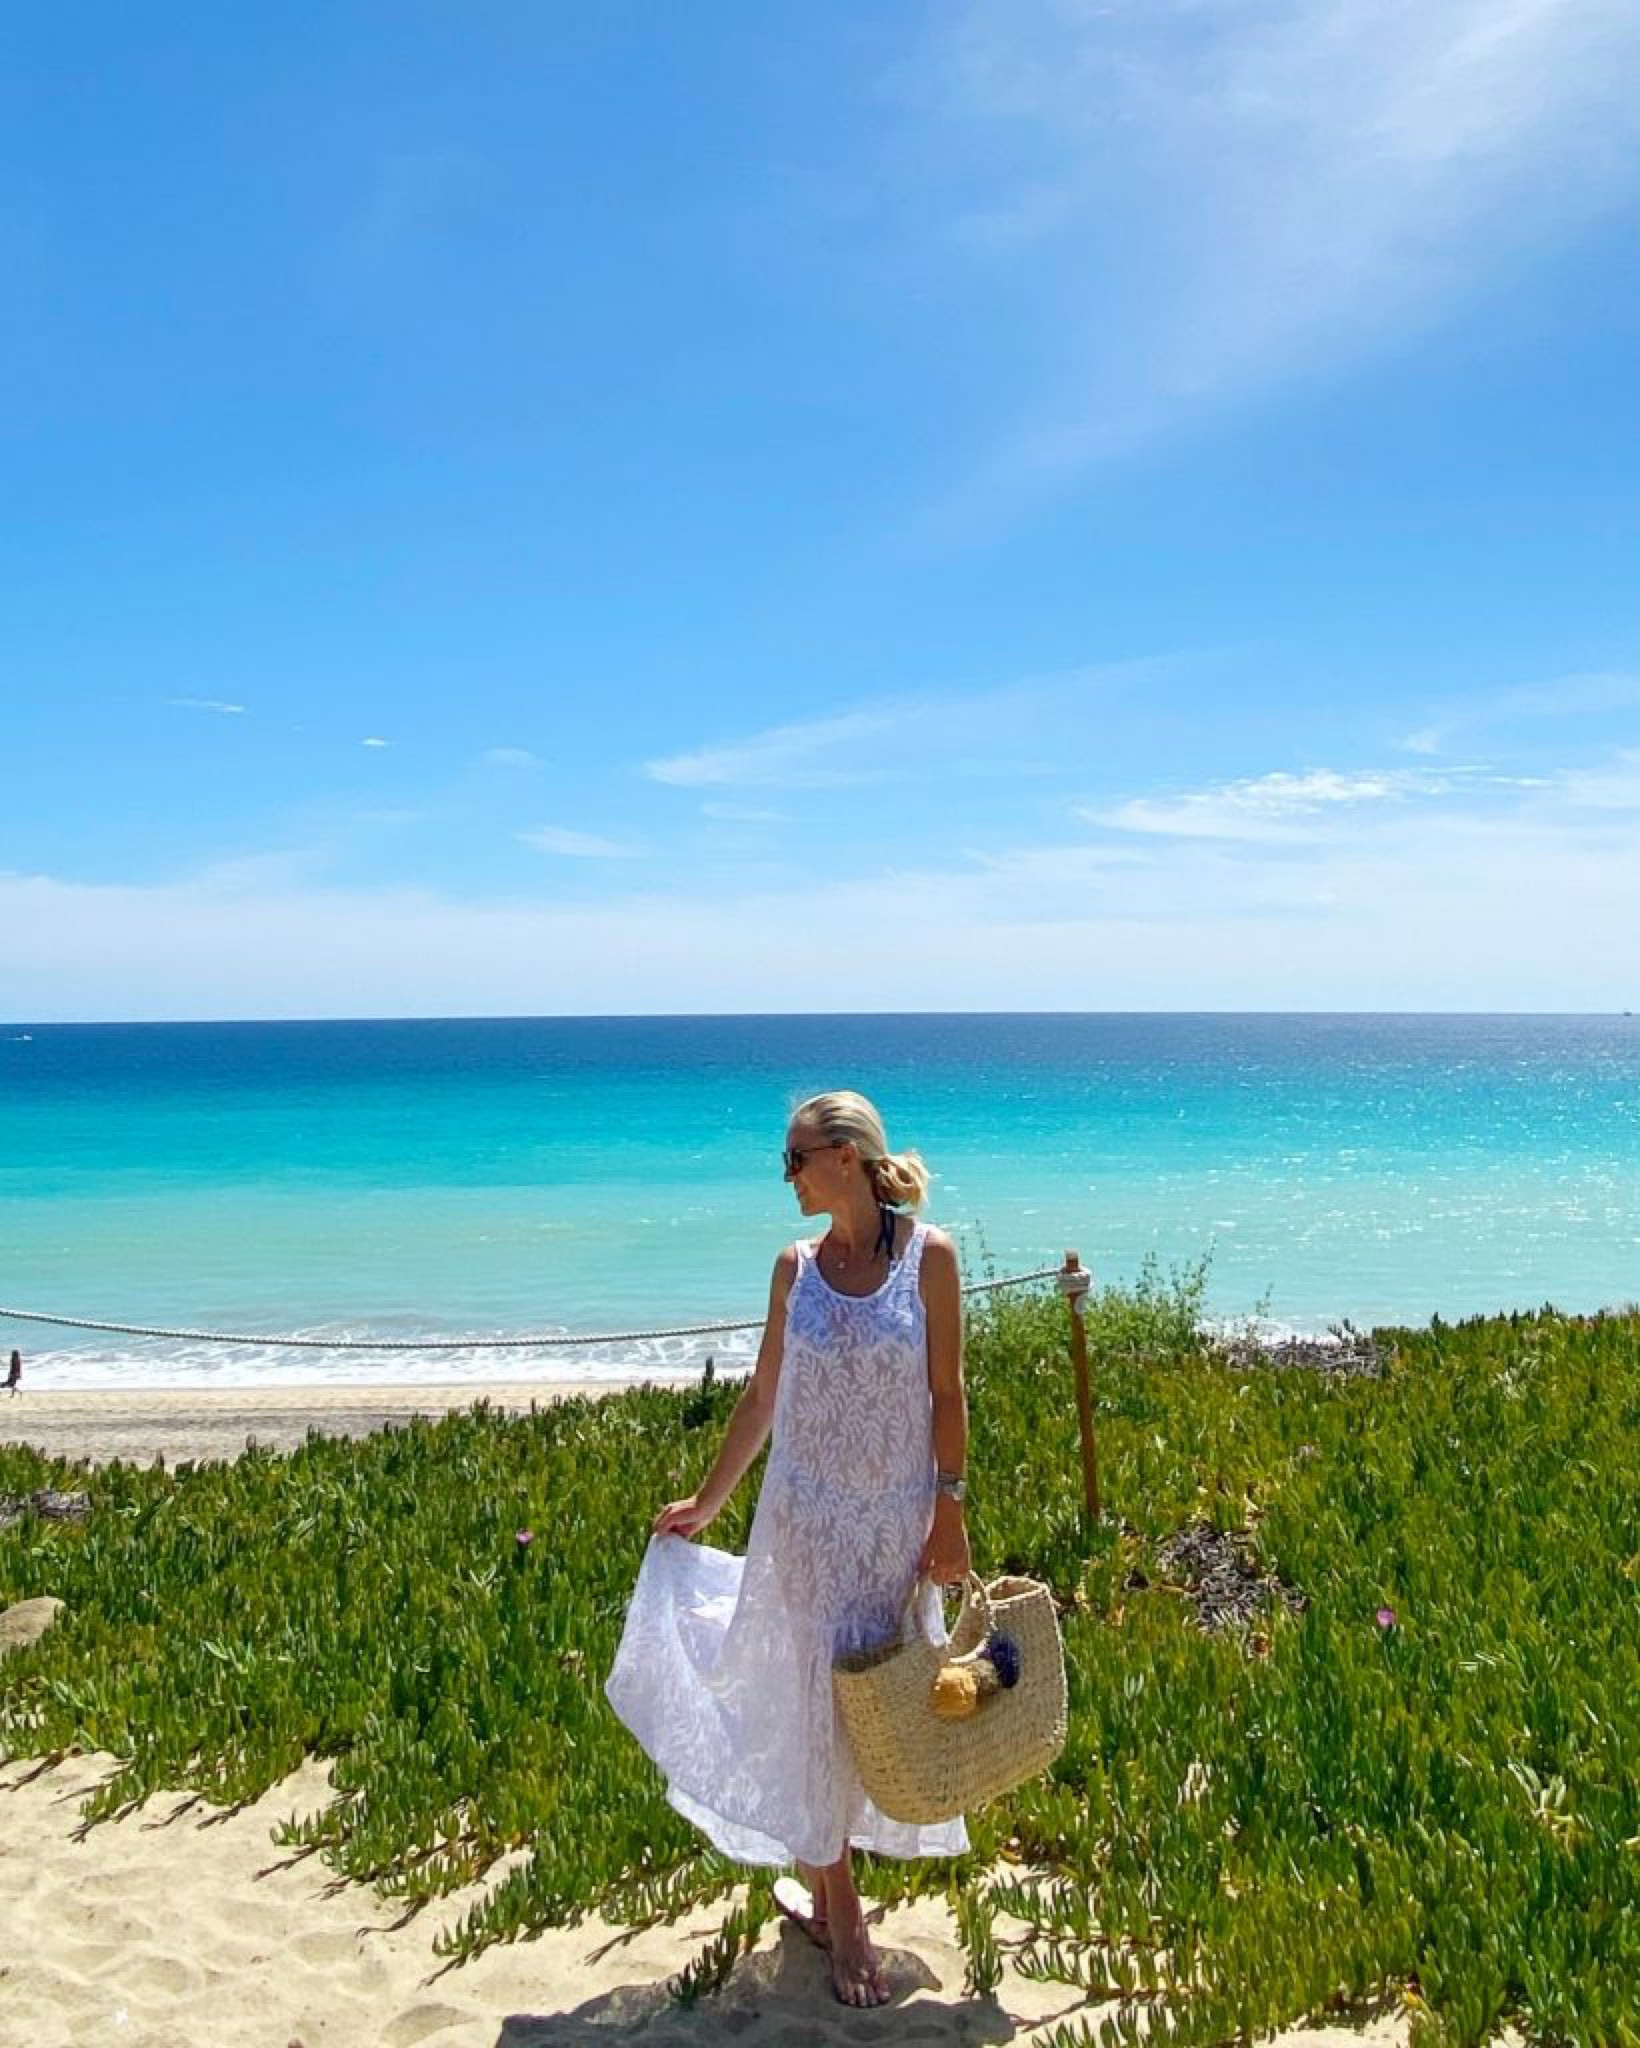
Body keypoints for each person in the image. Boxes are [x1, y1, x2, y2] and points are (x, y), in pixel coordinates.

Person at [605, 1090, 971, 2009]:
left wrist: (949, 1512)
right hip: (803, 1524)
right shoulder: (793, 1268)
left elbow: (949, 1394)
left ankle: (822, 1882)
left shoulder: (930, 1259)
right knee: (811, 1705)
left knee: (869, 1710)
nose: (788, 1175)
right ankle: (841, 1912)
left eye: (795, 1158)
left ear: (845, 1156)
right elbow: (763, 1397)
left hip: (888, 1526)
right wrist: (706, 1500)